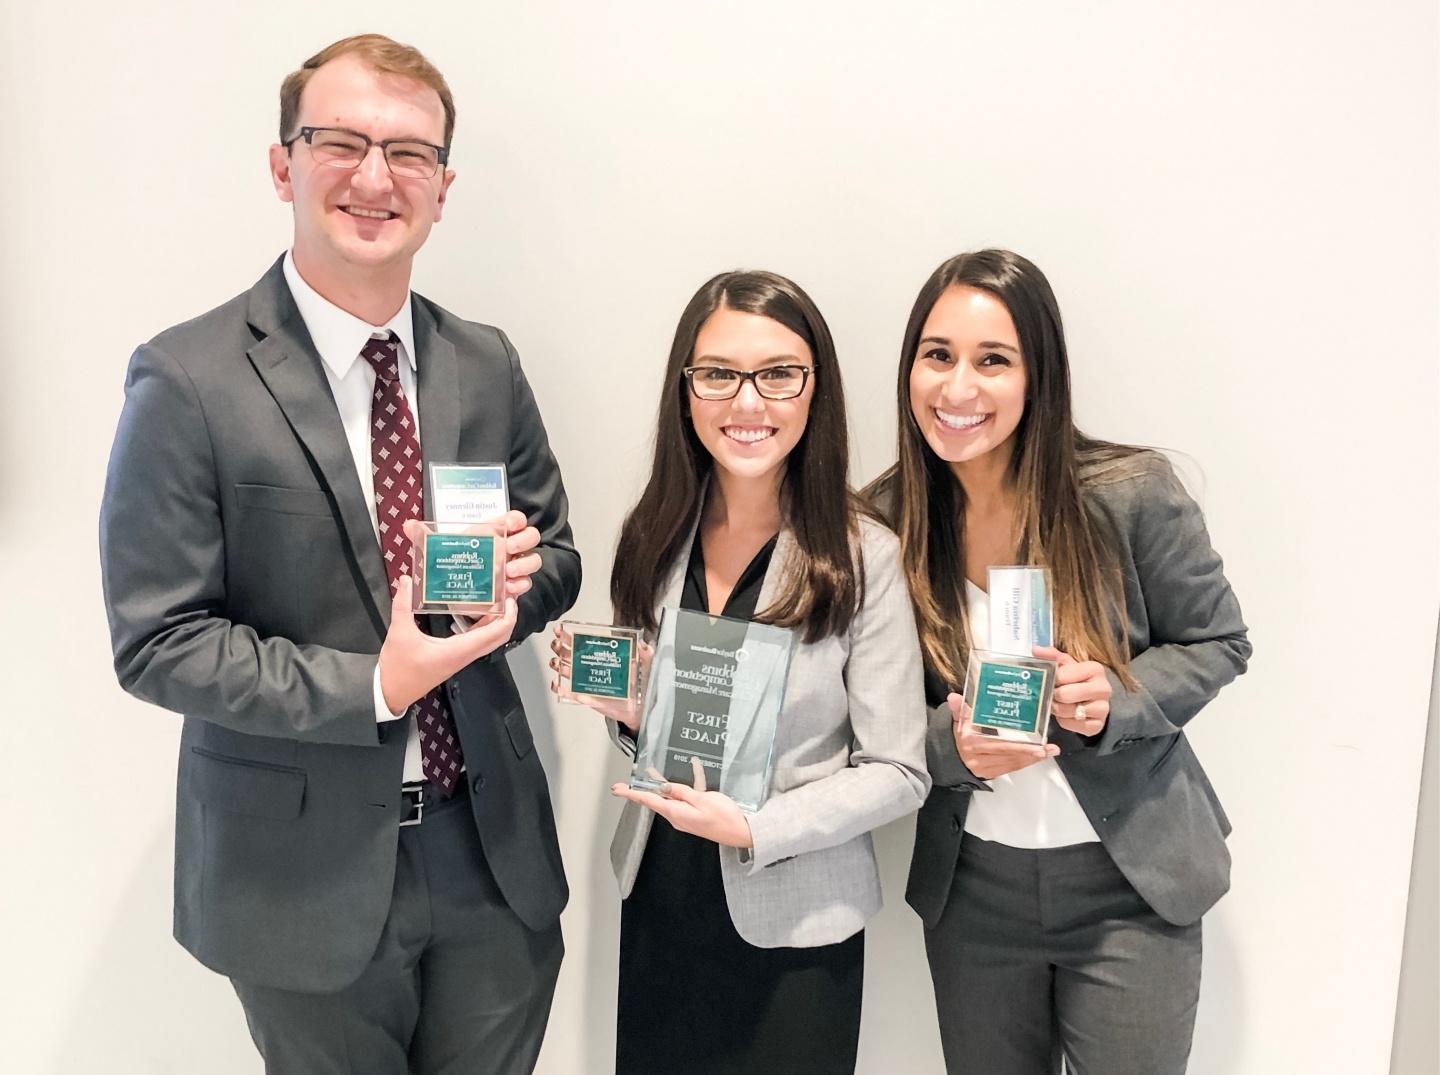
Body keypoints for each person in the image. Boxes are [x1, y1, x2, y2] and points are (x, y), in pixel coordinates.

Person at [99, 34, 578, 1074]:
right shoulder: (187, 379)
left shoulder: (484, 363)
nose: (375, 177)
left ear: (443, 187)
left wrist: (515, 580)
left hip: (490, 854)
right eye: (342, 141)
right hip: (298, 878)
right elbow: (159, 641)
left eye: (409, 153)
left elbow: (560, 552)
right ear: (284, 165)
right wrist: (376, 684)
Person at [865, 249, 1251, 1075]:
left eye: (992, 360)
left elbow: (1220, 642)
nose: (957, 388)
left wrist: (1118, 697)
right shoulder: (884, 522)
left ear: (1038, 375)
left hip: (1131, 887)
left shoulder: (1130, 492)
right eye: (937, 356)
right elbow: (863, 711)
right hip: (974, 894)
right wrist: (948, 746)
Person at [553, 270, 929, 1073]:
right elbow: (667, 725)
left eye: (778, 374)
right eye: (718, 374)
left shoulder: (867, 556)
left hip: (795, 920)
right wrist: (629, 711)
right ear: (686, 390)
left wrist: (757, 826)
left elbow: (898, 768)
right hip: (662, 897)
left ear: (813, 390)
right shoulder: (656, 533)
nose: (747, 403)